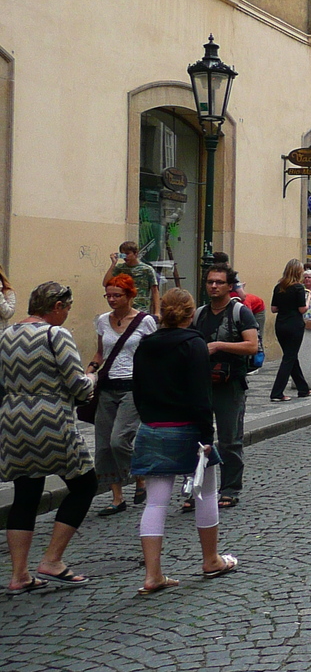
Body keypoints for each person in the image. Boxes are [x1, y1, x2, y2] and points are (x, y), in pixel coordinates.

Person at [129, 289, 237, 595]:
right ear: (192, 315)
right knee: (205, 494)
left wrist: (148, 419)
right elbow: (200, 395)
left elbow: (137, 390)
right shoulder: (194, 345)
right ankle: (211, 559)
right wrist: (207, 436)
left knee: (156, 502)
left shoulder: (145, 345)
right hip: (188, 430)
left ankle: (153, 574)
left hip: (152, 428)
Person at [4, 283, 97, 595]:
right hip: (51, 421)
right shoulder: (55, 335)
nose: (67, 313)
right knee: (85, 485)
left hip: (12, 421)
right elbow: (77, 385)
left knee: (26, 493)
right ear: (56, 305)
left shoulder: (5, 335)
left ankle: (19, 575)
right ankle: (52, 560)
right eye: (66, 307)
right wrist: (93, 379)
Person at [191, 264, 259, 510]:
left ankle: (230, 488)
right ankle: (195, 488)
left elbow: (252, 346)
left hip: (230, 384)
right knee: (197, 439)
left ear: (230, 286)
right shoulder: (199, 314)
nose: (213, 286)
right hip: (202, 384)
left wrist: (220, 345)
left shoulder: (240, 312)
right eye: (210, 282)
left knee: (229, 439)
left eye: (219, 282)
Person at [90, 274, 157, 515]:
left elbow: (153, 353)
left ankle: (140, 476)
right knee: (103, 446)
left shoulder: (145, 321)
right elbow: (100, 353)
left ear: (130, 295)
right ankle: (117, 497)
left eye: (116, 295)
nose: (111, 300)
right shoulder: (102, 321)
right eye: (108, 295)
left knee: (119, 440)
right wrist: (89, 371)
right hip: (107, 386)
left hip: (133, 386)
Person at [269, 259, 311, 401]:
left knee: (291, 356)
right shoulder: (298, 287)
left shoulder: (278, 287)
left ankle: (303, 389)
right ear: (298, 272)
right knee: (289, 358)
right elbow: (302, 309)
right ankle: (277, 392)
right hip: (294, 325)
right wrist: (309, 299)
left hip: (280, 325)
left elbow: (274, 309)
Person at [104, 240, 160, 312]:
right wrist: (113, 264)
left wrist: (157, 312)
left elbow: (155, 291)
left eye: (127, 254)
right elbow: (106, 283)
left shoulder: (147, 269)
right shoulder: (119, 268)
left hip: (141, 308)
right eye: (123, 254)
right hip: (123, 308)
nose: (125, 257)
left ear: (135, 254)